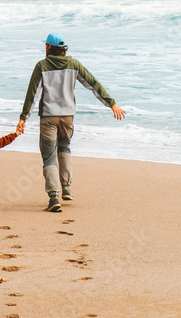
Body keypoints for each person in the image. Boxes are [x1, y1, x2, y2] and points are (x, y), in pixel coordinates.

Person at [17, 33, 125, 212]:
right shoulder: (74, 64)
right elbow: (93, 84)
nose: (45, 47)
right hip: (68, 118)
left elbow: (32, 94)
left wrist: (23, 118)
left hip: (49, 118)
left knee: (49, 156)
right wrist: (111, 103)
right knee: (65, 148)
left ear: (49, 47)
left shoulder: (41, 66)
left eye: (45, 45)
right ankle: (66, 187)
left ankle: (54, 197)